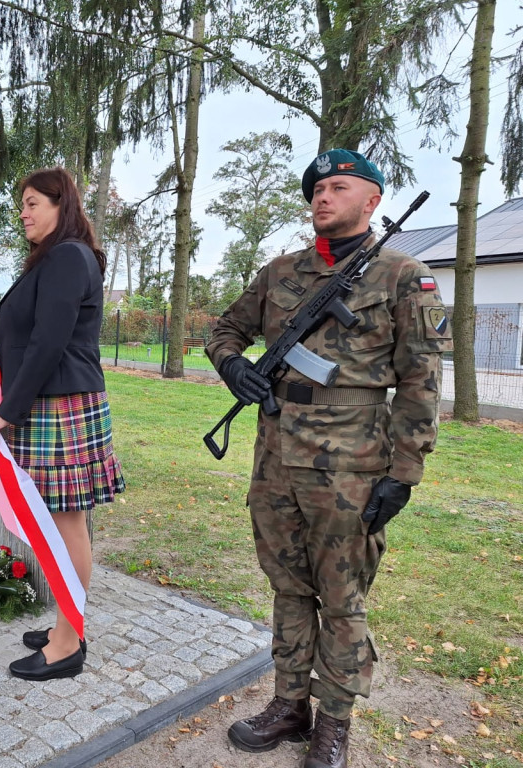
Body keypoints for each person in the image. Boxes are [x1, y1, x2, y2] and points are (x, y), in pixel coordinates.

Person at [207, 149, 452, 768]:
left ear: (371, 200)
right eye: (317, 187)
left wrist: (404, 472)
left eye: (338, 187)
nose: (322, 195)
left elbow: (421, 383)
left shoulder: (403, 276)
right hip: (275, 463)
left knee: (342, 598)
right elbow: (224, 330)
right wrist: (235, 367)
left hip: (351, 469)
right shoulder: (279, 271)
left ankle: (333, 725)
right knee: (288, 589)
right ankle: (289, 706)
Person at [0, 167, 126, 681]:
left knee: (67, 525)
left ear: (60, 205)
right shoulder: (56, 258)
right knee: (58, 522)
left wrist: (7, 411)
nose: (23, 212)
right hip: (52, 403)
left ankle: (68, 643)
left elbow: (49, 343)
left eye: (32, 203)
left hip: (59, 407)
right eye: (21, 203)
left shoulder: (67, 256)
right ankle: (69, 622)